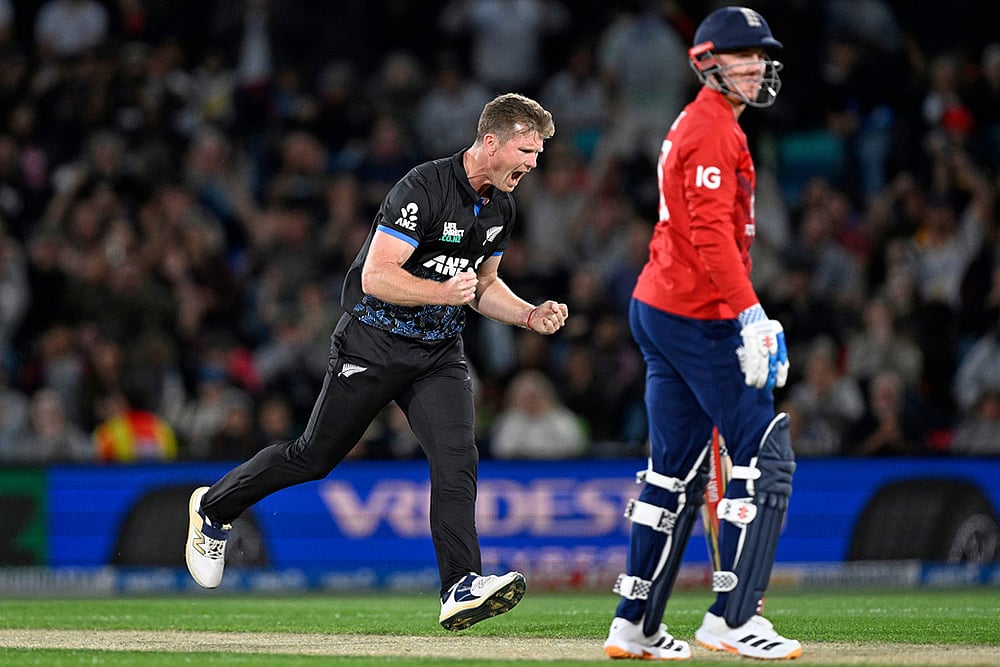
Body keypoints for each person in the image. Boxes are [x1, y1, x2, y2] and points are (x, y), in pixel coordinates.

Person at [184, 93, 568, 632]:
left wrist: (529, 316)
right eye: (526, 150)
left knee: (457, 457)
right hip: (373, 344)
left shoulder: (502, 206)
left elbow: (482, 286)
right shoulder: (422, 187)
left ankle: (459, 585)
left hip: (438, 354)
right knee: (312, 456)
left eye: (537, 152)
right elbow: (377, 277)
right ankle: (214, 509)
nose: (533, 164)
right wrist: (441, 291)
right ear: (490, 142)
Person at [603, 7, 802, 661]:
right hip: (698, 311)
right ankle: (733, 617)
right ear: (707, 62)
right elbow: (711, 234)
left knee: (673, 474)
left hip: (663, 303)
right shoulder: (713, 128)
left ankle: (633, 624)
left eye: (761, 57)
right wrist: (749, 313)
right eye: (744, 56)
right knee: (762, 450)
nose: (757, 67)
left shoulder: (707, 123)